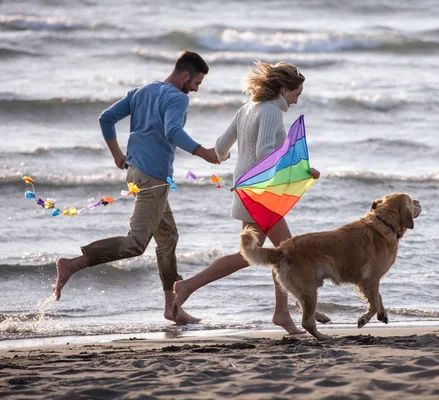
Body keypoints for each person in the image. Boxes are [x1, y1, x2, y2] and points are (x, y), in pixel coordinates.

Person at [54, 50, 219, 324]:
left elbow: (106, 118)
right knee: (136, 244)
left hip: (136, 174)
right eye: (196, 83)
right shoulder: (177, 97)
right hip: (153, 179)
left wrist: (117, 154)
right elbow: (173, 132)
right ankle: (71, 264)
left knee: (168, 238)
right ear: (186, 75)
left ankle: (172, 309)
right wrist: (205, 153)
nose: (195, 89)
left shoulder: (142, 91)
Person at [173, 61, 320, 334]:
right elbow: (265, 152)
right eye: (297, 94)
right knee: (284, 253)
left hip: (247, 190)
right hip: (261, 194)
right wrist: (302, 169)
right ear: (284, 89)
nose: (297, 101)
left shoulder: (246, 109)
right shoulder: (271, 112)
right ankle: (279, 313)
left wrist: (224, 157)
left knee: (260, 255)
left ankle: (280, 312)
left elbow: (219, 147)